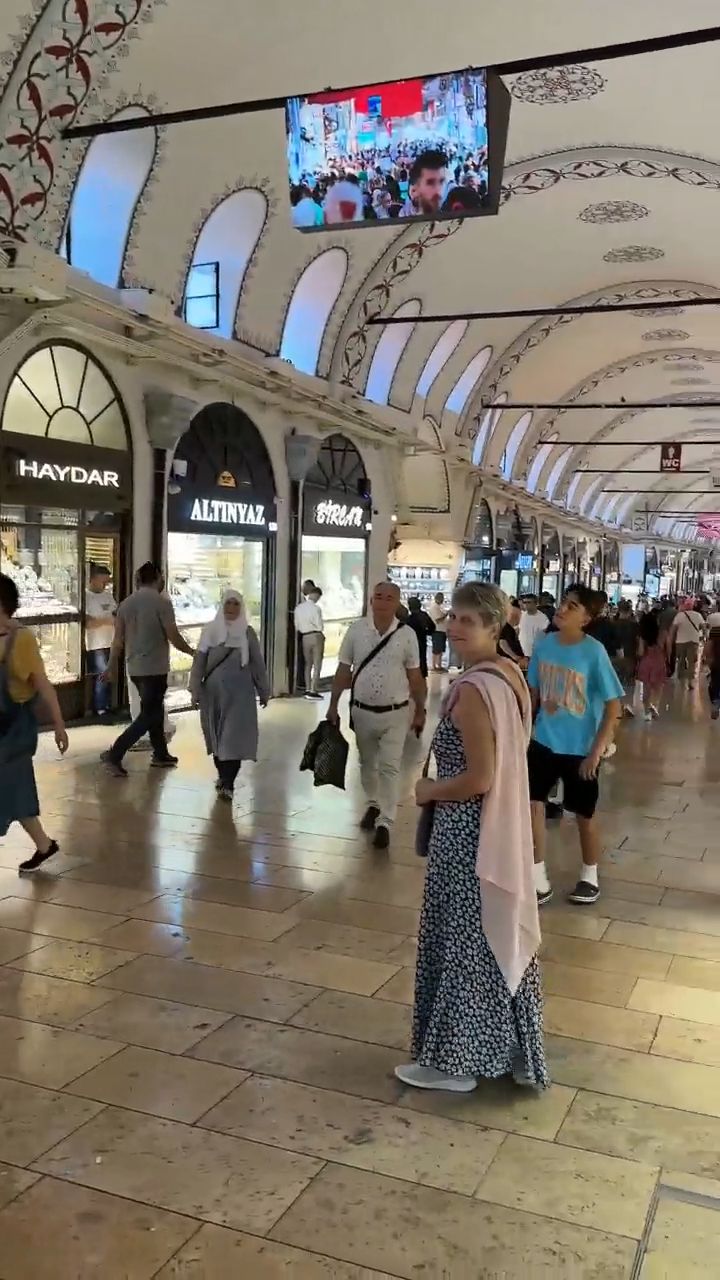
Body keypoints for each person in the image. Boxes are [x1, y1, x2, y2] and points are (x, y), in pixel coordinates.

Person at [395, 582, 547, 1093]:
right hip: (497, 827)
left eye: (468, 621)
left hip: (467, 832)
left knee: (462, 938)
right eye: (454, 618)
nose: (455, 628)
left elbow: (479, 777)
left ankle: (453, 1062)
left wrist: (427, 790)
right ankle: (507, 1049)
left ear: (494, 626)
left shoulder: (471, 692)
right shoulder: (509, 676)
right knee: (491, 935)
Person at [527, 585, 623, 906]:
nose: (563, 609)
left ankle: (590, 874)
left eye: (573, 606)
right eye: (564, 603)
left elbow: (613, 706)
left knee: (584, 814)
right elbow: (533, 695)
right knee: (533, 805)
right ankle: (537, 875)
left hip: (581, 748)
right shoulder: (544, 646)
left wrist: (596, 751)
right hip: (543, 741)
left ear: (586, 618)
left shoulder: (593, 652)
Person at [327, 581, 426, 850]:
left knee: (390, 767)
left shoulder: (407, 635)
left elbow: (415, 676)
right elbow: (343, 670)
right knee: (367, 763)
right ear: (371, 601)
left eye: (388, 598)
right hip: (362, 711)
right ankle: (372, 802)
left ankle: (386, 820)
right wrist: (333, 705)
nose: (382, 602)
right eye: (378, 597)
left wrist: (421, 708)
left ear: (397, 603)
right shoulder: (357, 631)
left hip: (396, 711)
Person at [0, 572, 69, 872]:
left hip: (14, 730)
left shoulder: (21, 640)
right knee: (14, 789)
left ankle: (44, 845)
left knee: (9, 787)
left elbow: (43, 685)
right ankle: (44, 845)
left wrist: (59, 724)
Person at [101, 561, 194, 776]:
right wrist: (192, 652)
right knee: (149, 714)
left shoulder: (125, 604)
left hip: (134, 668)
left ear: (138, 580)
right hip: (155, 667)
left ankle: (161, 754)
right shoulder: (162, 603)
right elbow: (173, 635)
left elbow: (117, 641)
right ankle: (115, 755)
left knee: (154, 709)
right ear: (158, 578)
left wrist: (110, 666)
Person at [189, 589, 270, 799]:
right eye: (228, 604)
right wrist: (195, 689)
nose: (232, 609)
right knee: (218, 739)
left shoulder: (247, 633)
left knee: (233, 739)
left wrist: (263, 690)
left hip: (240, 694)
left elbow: (257, 663)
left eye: (236, 604)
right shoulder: (210, 631)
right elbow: (199, 662)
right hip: (214, 694)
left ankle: (228, 783)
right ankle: (223, 776)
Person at [85, 563, 116, 716]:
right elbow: (87, 623)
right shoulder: (86, 597)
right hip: (94, 644)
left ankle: (107, 704)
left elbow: (116, 614)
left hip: (109, 641)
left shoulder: (108, 596)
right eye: (103, 581)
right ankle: (100, 708)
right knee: (101, 674)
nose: (105, 585)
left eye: (107, 582)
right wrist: (105, 621)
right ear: (93, 579)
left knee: (108, 675)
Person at [637, 608, 667, 722]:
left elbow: (640, 652)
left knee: (646, 688)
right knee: (658, 688)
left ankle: (646, 712)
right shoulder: (662, 633)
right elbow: (665, 648)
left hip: (647, 661)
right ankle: (655, 706)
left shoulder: (643, 636)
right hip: (659, 661)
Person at [294, 586, 325, 699]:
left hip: (304, 637)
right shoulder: (316, 608)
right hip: (316, 635)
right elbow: (320, 626)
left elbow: (297, 626)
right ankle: (313, 690)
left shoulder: (298, 608)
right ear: (316, 595)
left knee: (308, 664)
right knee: (317, 664)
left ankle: (307, 689)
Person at [400, 149, 447, 218]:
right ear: (414, 190)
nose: (438, 192)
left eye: (441, 182)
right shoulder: (403, 220)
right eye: (430, 183)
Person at [614, 600, 640, 716]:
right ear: (629, 611)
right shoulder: (634, 626)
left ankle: (617, 707)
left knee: (616, 682)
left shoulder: (612, 624)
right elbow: (639, 641)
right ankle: (627, 706)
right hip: (630, 656)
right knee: (629, 682)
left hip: (615, 656)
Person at [671, 600, 705, 690]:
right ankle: (690, 681)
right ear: (693, 606)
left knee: (681, 660)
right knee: (691, 662)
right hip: (693, 641)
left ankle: (680, 680)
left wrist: (671, 640)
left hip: (680, 642)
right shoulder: (698, 615)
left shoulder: (679, 615)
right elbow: (703, 627)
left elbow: (673, 629)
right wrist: (704, 637)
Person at [406, 596, 436, 679]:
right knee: (422, 658)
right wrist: (426, 633)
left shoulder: (409, 618)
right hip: (422, 639)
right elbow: (432, 627)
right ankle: (422, 675)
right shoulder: (424, 615)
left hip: (411, 642)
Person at [498, 597, 527, 668]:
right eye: (519, 614)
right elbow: (502, 643)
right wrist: (516, 657)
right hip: (507, 663)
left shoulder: (510, 629)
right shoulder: (506, 628)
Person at [518, 594, 549, 659]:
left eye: (529, 602)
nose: (526, 605)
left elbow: (545, 635)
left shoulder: (543, 618)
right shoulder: (521, 615)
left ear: (535, 603)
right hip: (521, 653)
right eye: (524, 602)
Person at [428, 591, 449, 671]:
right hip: (437, 630)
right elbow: (438, 619)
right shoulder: (434, 607)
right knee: (436, 649)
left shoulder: (439, 607)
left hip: (441, 630)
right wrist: (446, 615)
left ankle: (439, 665)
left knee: (440, 649)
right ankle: (434, 666)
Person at [704, 620, 720, 720]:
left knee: (715, 683)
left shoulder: (716, 630)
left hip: (717, 663)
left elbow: (708, 646)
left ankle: (715, 702)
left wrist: (708, 661)